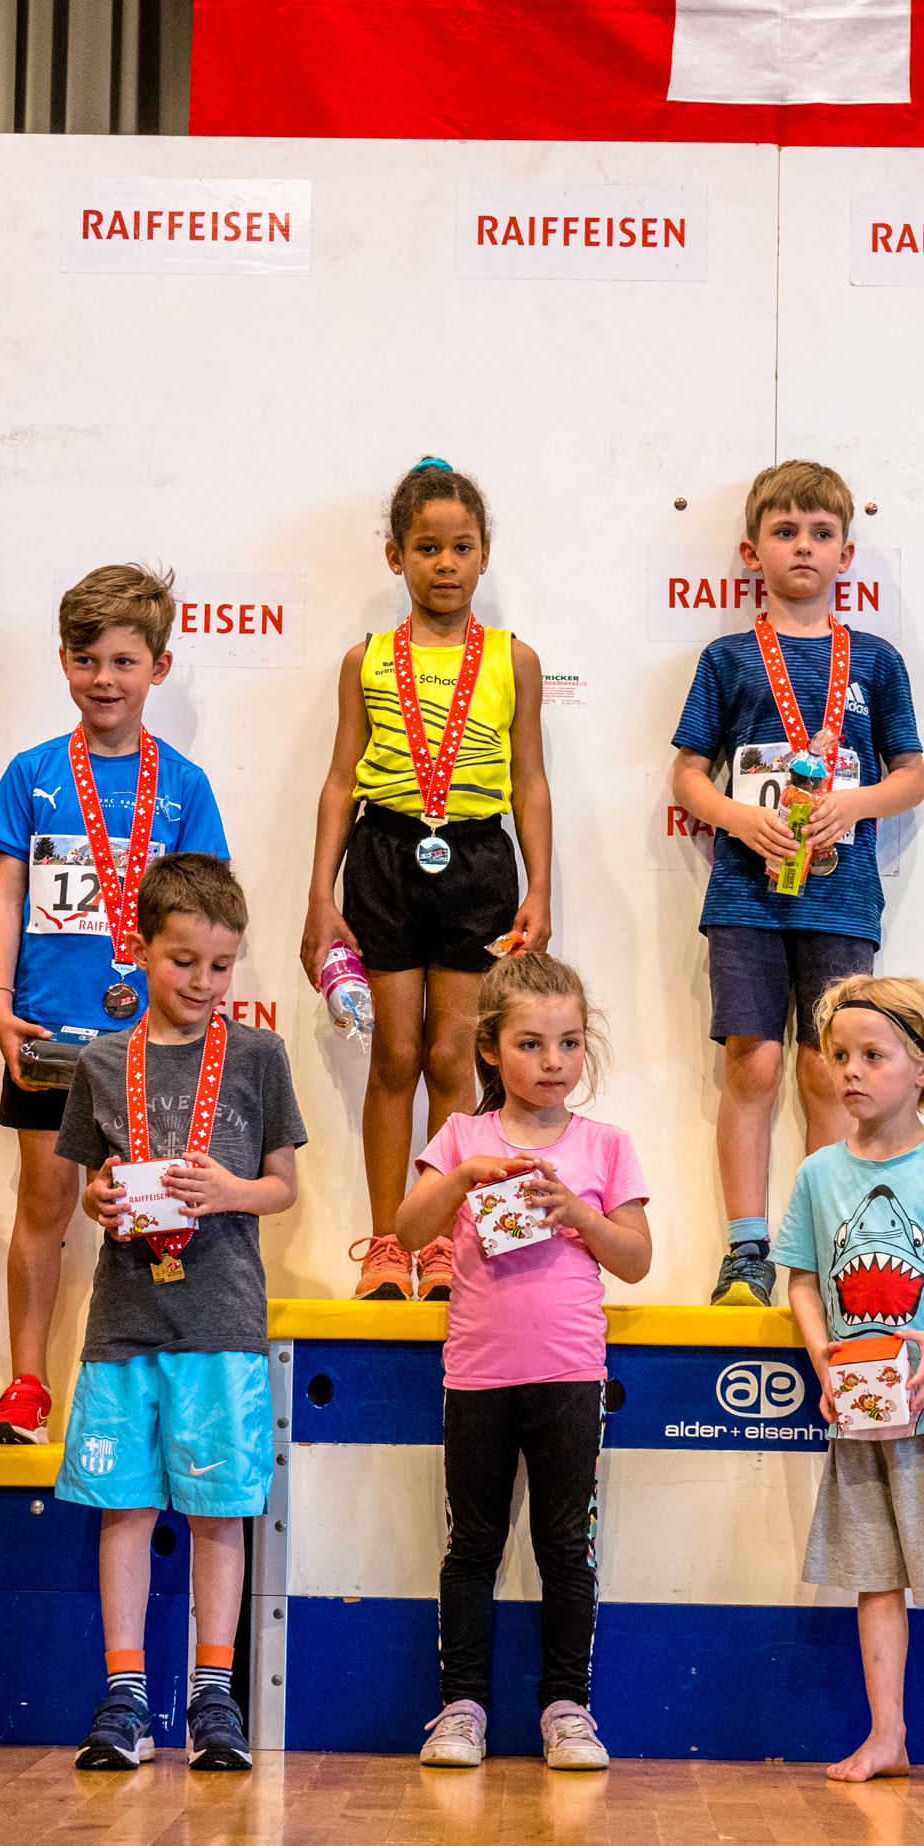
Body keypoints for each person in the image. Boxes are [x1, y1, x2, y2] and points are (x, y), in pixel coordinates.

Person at [60, 853, 307, 1772]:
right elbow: (92, 1187)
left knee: (217, 1512)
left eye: (221, 966)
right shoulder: (100, 1061)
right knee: (123, 1510)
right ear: (139, 949)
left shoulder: (258, 1056)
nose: (203, 982)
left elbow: (282, 1187)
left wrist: (230, 1191)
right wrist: (100, 1202)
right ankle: (125, 1697)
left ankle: (212, 1697)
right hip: (124, 1323)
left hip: (221, 1322)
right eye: (183, 962)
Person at [0, 564, 228, 1447]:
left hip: (149, 1042)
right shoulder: (33, 773)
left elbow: (206, 913)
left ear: (159, 666)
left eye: (124, 661)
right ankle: (27, 1386)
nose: (104, 679)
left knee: (151, 1214)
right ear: (63, 662)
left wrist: (192, 1023)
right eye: (86, 660)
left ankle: (144, 1386)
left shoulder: (184, 785)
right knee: (43, 1209)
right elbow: (7, 894)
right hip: (47, 1036)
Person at [672, 461, 924, 1308]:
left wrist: (853, 802)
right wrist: (736, 818)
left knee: (831, 1071)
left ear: (846, 554)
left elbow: (911, 776)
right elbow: (688, 776)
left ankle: (821, 1250)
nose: (803, 547)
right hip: (745, 895)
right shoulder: (727, 658)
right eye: (785, 532)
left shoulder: (877, 661)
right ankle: (746, 1252)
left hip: (841, 896)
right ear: (753, 551)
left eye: (821, 534)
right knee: (754, 1065)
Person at [397, 953, 652, 1774]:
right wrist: (464, 1178)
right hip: (478, 1377)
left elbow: (636, 1260)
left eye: (569, 1043)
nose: (553, 1062)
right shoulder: (460, 1136)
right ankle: (461, 1709)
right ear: (490, 1049)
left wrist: (579, 1212)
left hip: (571, 1376)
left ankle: (567, 1709)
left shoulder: (605, 1145)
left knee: (565, 1547)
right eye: (531, 1044)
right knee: (471, 1546)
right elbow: (408, 1232)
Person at [305, 459, 553, 1303]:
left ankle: (444, 1241)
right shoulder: (367, 660)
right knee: (394, 1053)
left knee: (453, 1054)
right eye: (426, 548)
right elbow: (340, 780)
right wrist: (320, 895)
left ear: (484, 555)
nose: (445, 564)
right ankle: (386, 1242)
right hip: (384, 858)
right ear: (395, 557)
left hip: (478, 861)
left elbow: (530, 783)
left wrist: (540, 888)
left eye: (461, 547)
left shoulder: (515, 660)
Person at [775, 975, 924, 1789]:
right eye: (839, 1055)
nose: (850, 1071)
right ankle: (888, 1735)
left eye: (872, 1056)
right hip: (863, 1412)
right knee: (874, 1576)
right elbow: (801, 1279)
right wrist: (823, 1358)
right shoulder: (818, 1174)